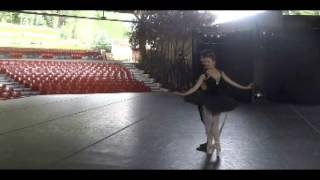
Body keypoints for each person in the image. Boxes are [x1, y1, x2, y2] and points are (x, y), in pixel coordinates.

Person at [174, 49, 254, 158]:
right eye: (204, 62)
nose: (206, 64)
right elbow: (195, 88)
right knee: (209, 124)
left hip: (218, 100)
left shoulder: (221, 73)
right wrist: (183, 93)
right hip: (207, 99)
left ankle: (217, 144)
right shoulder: (204, 75)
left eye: (208, 61)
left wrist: (245, 87)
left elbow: (232, 82)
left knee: (215, 124)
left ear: (214, 61)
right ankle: (209, 145)